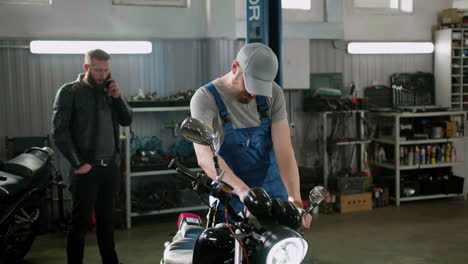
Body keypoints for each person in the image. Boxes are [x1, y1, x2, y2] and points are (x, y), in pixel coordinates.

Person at [190, 43, 312, 229]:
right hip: (230, 200)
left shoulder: (274, 94)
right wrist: (242, 192)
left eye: (260, 88)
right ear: (234, 67)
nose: (254, 93)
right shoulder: (205, 99)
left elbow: (284, 150)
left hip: (273, 196)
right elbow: (205, 156)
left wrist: (295, 199)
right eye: (250, 85)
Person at [52, 49, 132, 264]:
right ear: (86, 67)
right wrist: (78, 164)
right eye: (97, 70)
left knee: (107, 222)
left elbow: (126, 120)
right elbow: (60, 132)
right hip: (85, 169)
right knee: (79, 224)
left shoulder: (109, 91)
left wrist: (118, 98)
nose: (102, 74)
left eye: (106, 70)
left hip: (109, 169)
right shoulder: (70, 92)